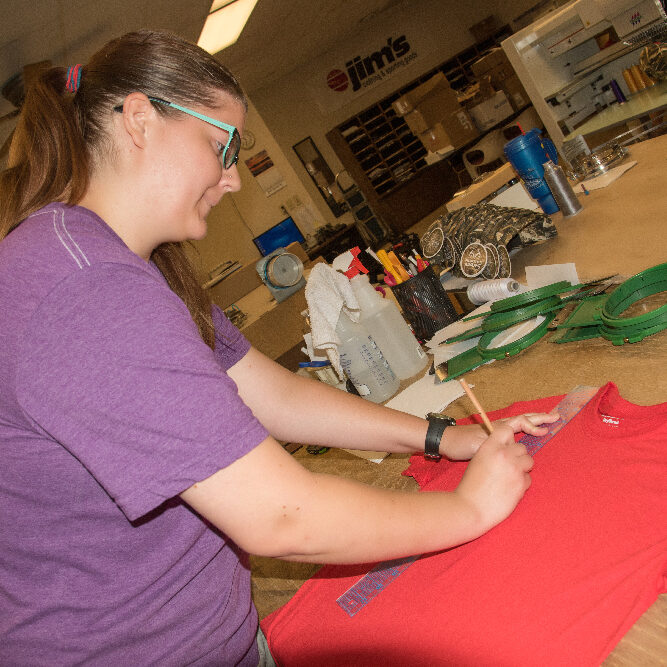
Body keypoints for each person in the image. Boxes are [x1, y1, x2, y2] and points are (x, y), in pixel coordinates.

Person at [0, 30, 558, 666]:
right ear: (139, 120)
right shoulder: (85, 287)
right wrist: (468, 508)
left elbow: (271, 393)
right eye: (221, 145)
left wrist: (439, 436)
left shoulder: (112, 264)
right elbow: (281, 518)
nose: (233, 178)